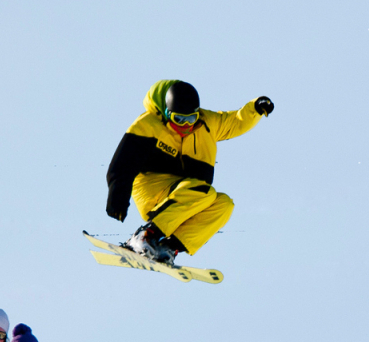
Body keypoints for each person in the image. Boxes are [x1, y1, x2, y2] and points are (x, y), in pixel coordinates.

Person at [104, 80, 273, 265]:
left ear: (197, 114)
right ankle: (145, 236)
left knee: (223, 205)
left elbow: (236, 121)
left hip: (188, 196)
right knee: (203, 191)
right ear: (168, 113)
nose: (185, 125)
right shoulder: (148, 125)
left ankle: (168, 247)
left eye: (190, 119)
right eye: (179, 119)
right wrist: (118, 199)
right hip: (152, 191)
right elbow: (122, 163)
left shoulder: (207, 123)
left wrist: (255, 108)